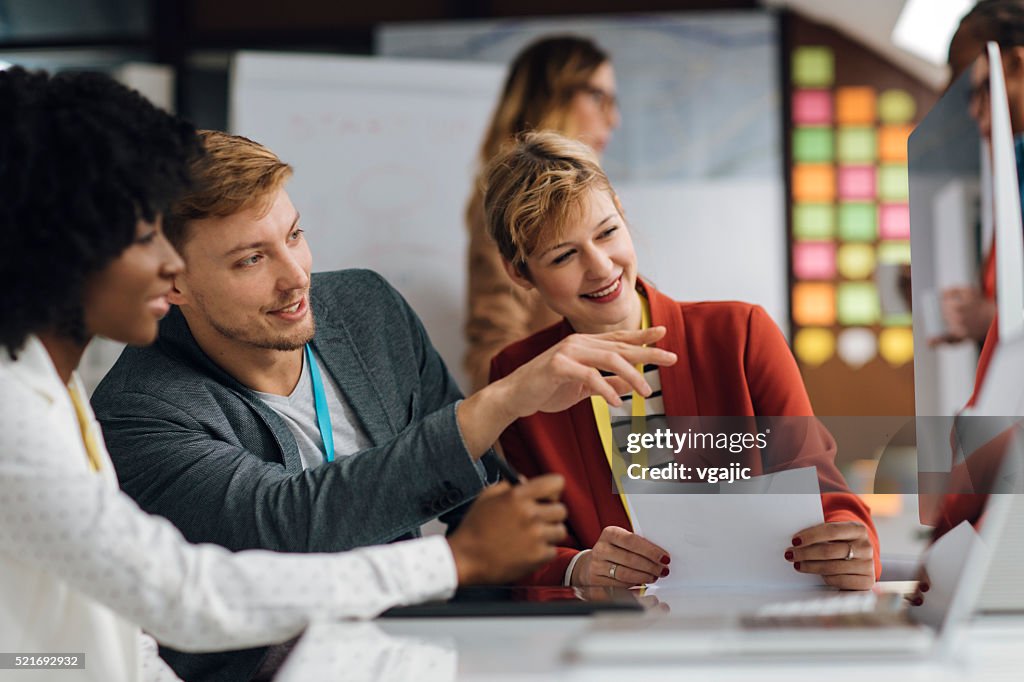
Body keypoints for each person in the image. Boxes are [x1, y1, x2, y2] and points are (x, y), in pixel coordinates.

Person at [0, 66, 572, 682]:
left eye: (295, 235)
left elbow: (120, 631)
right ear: (67, 245)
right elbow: (193, 591)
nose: (296, 275)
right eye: (144, 239)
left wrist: (559, 575)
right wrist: (455, 559)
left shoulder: (55, 393)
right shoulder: (72, 412)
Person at [90, 128, 675, 680]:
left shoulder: (365, 309)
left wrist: (573, 576)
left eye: (294, 236)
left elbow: (481, 507)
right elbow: (286, 523)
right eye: (251, 260)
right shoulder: (138, 409)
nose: (296, 278)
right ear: (174, 283)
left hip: (419, 653)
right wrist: (499, 401)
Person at [483, 131, 881, 591]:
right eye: (564, 255)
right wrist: (579, 567)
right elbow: (521, 546)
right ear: (520, 272)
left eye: (607, 232)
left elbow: (823, 491)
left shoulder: (740, 333)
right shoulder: (518, 375)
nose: (601, 267)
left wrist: (851, 544)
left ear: (622, 211)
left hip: (753, 617)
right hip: (618, 635)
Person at [464, 35, 621, 390]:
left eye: (608, 232)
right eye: (598, 97)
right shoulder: (509, 205)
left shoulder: (588, 194)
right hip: (566, 414)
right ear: (550, 96)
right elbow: (494, 348)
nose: (613, 119)